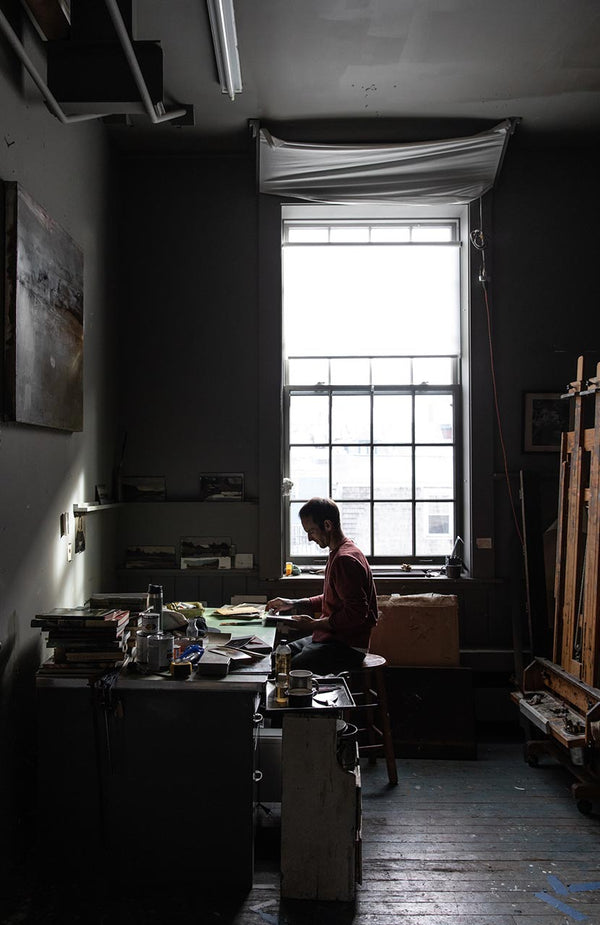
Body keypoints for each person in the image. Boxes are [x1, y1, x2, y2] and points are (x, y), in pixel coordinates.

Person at [266, 497, 378, 674]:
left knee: (283, 670)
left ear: (327, 525)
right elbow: (334, 599)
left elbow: (356, 615)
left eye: (311, 531)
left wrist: (313, 624)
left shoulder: (344, 560)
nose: (310, 538)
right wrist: (295, 603)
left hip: (347, 646)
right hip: (329, 638)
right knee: (275, 658)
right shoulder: (340, 551)